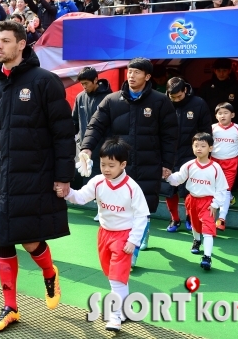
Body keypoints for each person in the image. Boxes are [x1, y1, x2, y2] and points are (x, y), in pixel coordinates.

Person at [0, 21, 75, 332]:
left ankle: (49, 274)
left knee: (29, 238)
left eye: (5, 41)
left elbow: (63, 134)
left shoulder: (46, 81)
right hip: (0, 176)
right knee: (4, 238)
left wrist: (63, 176)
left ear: (21, 44)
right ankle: (10, 307)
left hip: (35, 175)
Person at [79, 57, 178, 267]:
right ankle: (129, 253)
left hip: (148, 163)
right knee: (123, 209)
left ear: (148, 76)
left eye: (137, 72)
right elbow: (95, 125)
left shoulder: (161, 101)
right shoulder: (112, 100)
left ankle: (140, 237)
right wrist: (86, 147)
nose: (131, 76)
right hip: (119, 166)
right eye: (130, 71)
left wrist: (167, 163)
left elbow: (170, 136)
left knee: (143, 208)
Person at [60, 138, 148, 332]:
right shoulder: (98, 181)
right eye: (102, 164)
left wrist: (134, 241)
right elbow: (81, 197)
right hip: (104, 234)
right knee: (112, 276)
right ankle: (124, 309)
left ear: (123, 165)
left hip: (124, 237)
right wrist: (66, 192)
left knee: (117, 278)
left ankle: (116, 316)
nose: (106, 169)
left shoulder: (132, 187)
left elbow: (143, 215)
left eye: (111, 165)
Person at [166, 133, 228, 270]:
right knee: (195, 224)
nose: (199, 148)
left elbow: (222, 189)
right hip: (192, 200)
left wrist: (215, 204)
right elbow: (178, 179)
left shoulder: (216, 168)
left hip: (208, 203)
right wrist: (168, 177)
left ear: (210, 148)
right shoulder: (189, 165)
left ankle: (207, 257)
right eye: (196, 146)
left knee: (208, 230)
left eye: (203, 146)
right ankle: (196, 241)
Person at [165, 77, 211, 233]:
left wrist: (202, 152)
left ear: (185, 90)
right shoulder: (162, 103)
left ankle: (190, 218)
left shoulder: (199, 103)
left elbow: (206, 131)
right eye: (173, 97)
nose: (176, 100)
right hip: (168, 152)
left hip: (190, 152)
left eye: (179, 96)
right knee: (169, 189)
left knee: (189, 190)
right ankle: (174, 219)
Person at [73, 66, 112, 220]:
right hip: (85, 149)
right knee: (91, 180)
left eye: (86, 83)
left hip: (104, 147)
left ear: (96, 80)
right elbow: (74, 121)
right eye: (82, 84)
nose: (84, 87)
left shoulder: (109, 97)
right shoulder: (79, 97)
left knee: (105, 178)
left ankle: (105, 210)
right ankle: (100, 209)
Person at [211, 102, 238, 231]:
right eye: (220, 113)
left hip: (231, 163)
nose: (223, 116)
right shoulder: (212, 128)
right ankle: (230, 198)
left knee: (225, 190)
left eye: (226, 113)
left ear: (233, 115)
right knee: (216, 189)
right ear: (216, 116)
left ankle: (222, 219)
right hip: (214, 162)